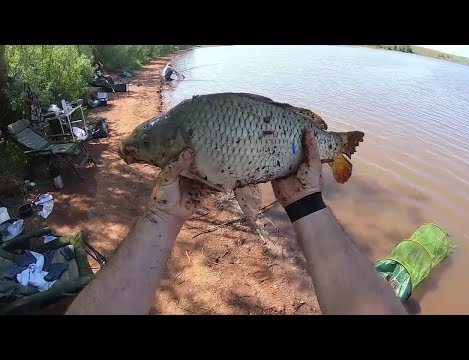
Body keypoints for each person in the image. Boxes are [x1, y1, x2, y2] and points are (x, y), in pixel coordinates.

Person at [66, 128, 407, 315]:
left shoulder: (187, 123)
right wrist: (163, 212)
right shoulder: (185, 123)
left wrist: (307, 200)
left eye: (145, 144)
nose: (136, 150)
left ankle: (333, 145)